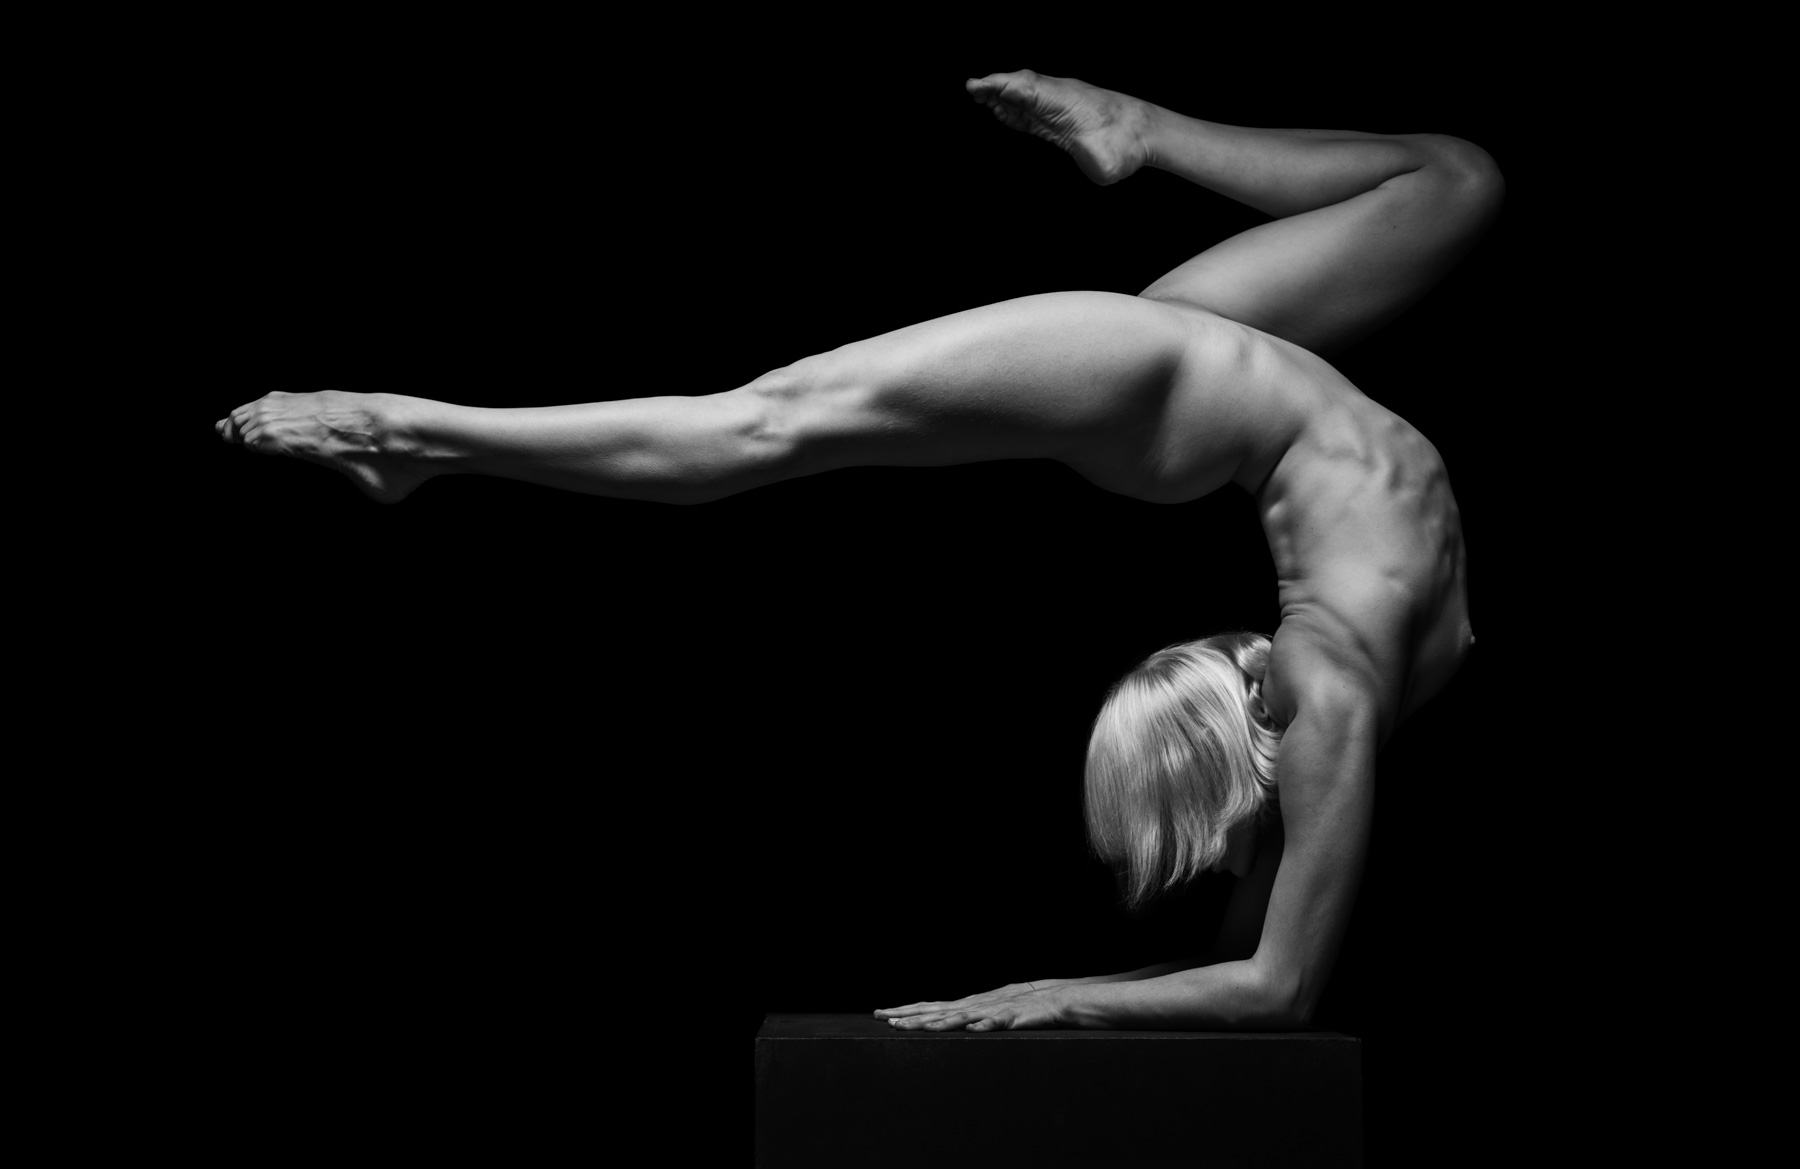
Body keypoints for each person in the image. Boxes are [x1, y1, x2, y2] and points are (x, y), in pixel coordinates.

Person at [217, 69, 1501, 1031]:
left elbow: (1244, 954)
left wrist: (1078, 994)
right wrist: (1063, 998)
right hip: (1200, 377)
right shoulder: (1326, 693)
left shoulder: (1328, 692)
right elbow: (1274, 988)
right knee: (770, 418)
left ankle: (1141, 131)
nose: (1225, 857)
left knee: (1457, 183)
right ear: (1258, 716)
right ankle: (412, 436)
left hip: (1242, 383)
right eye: (1218, 832)